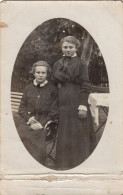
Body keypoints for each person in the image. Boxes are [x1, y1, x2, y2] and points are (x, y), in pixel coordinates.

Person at [52, 36, 96, 170]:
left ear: (76, 48)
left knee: (77, 134)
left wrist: (83, 106)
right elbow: (54, 84)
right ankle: (63, 164)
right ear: (62, 48)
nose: (68, 50)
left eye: (71, 47)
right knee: (64, 133)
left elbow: (85, 85)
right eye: (65, 47)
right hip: (62, 103)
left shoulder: (80, 64)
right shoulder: (57, 64)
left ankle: (78, 164)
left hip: (76, 102)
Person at [17, 61, 58, 165]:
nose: (40, 75)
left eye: (43, 73)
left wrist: (41, 123)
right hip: (28, 120)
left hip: (45, 123)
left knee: (35, 138)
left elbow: (54, 111)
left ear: (47, 74)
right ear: (33, 73)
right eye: (38, 72)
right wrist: (29, 119)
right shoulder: (28, 88)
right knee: (19, 134)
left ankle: (36, 165)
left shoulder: (52, 89)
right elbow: (21, 108)